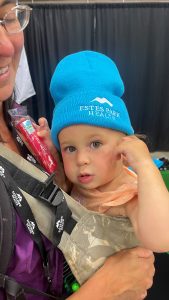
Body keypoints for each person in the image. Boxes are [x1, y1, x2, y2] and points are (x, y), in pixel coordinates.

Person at [0, 0, 155, 298]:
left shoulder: (18, 119)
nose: (6, 47)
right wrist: (108, 286)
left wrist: (58, 168)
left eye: (8, 16)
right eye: (71, 147)